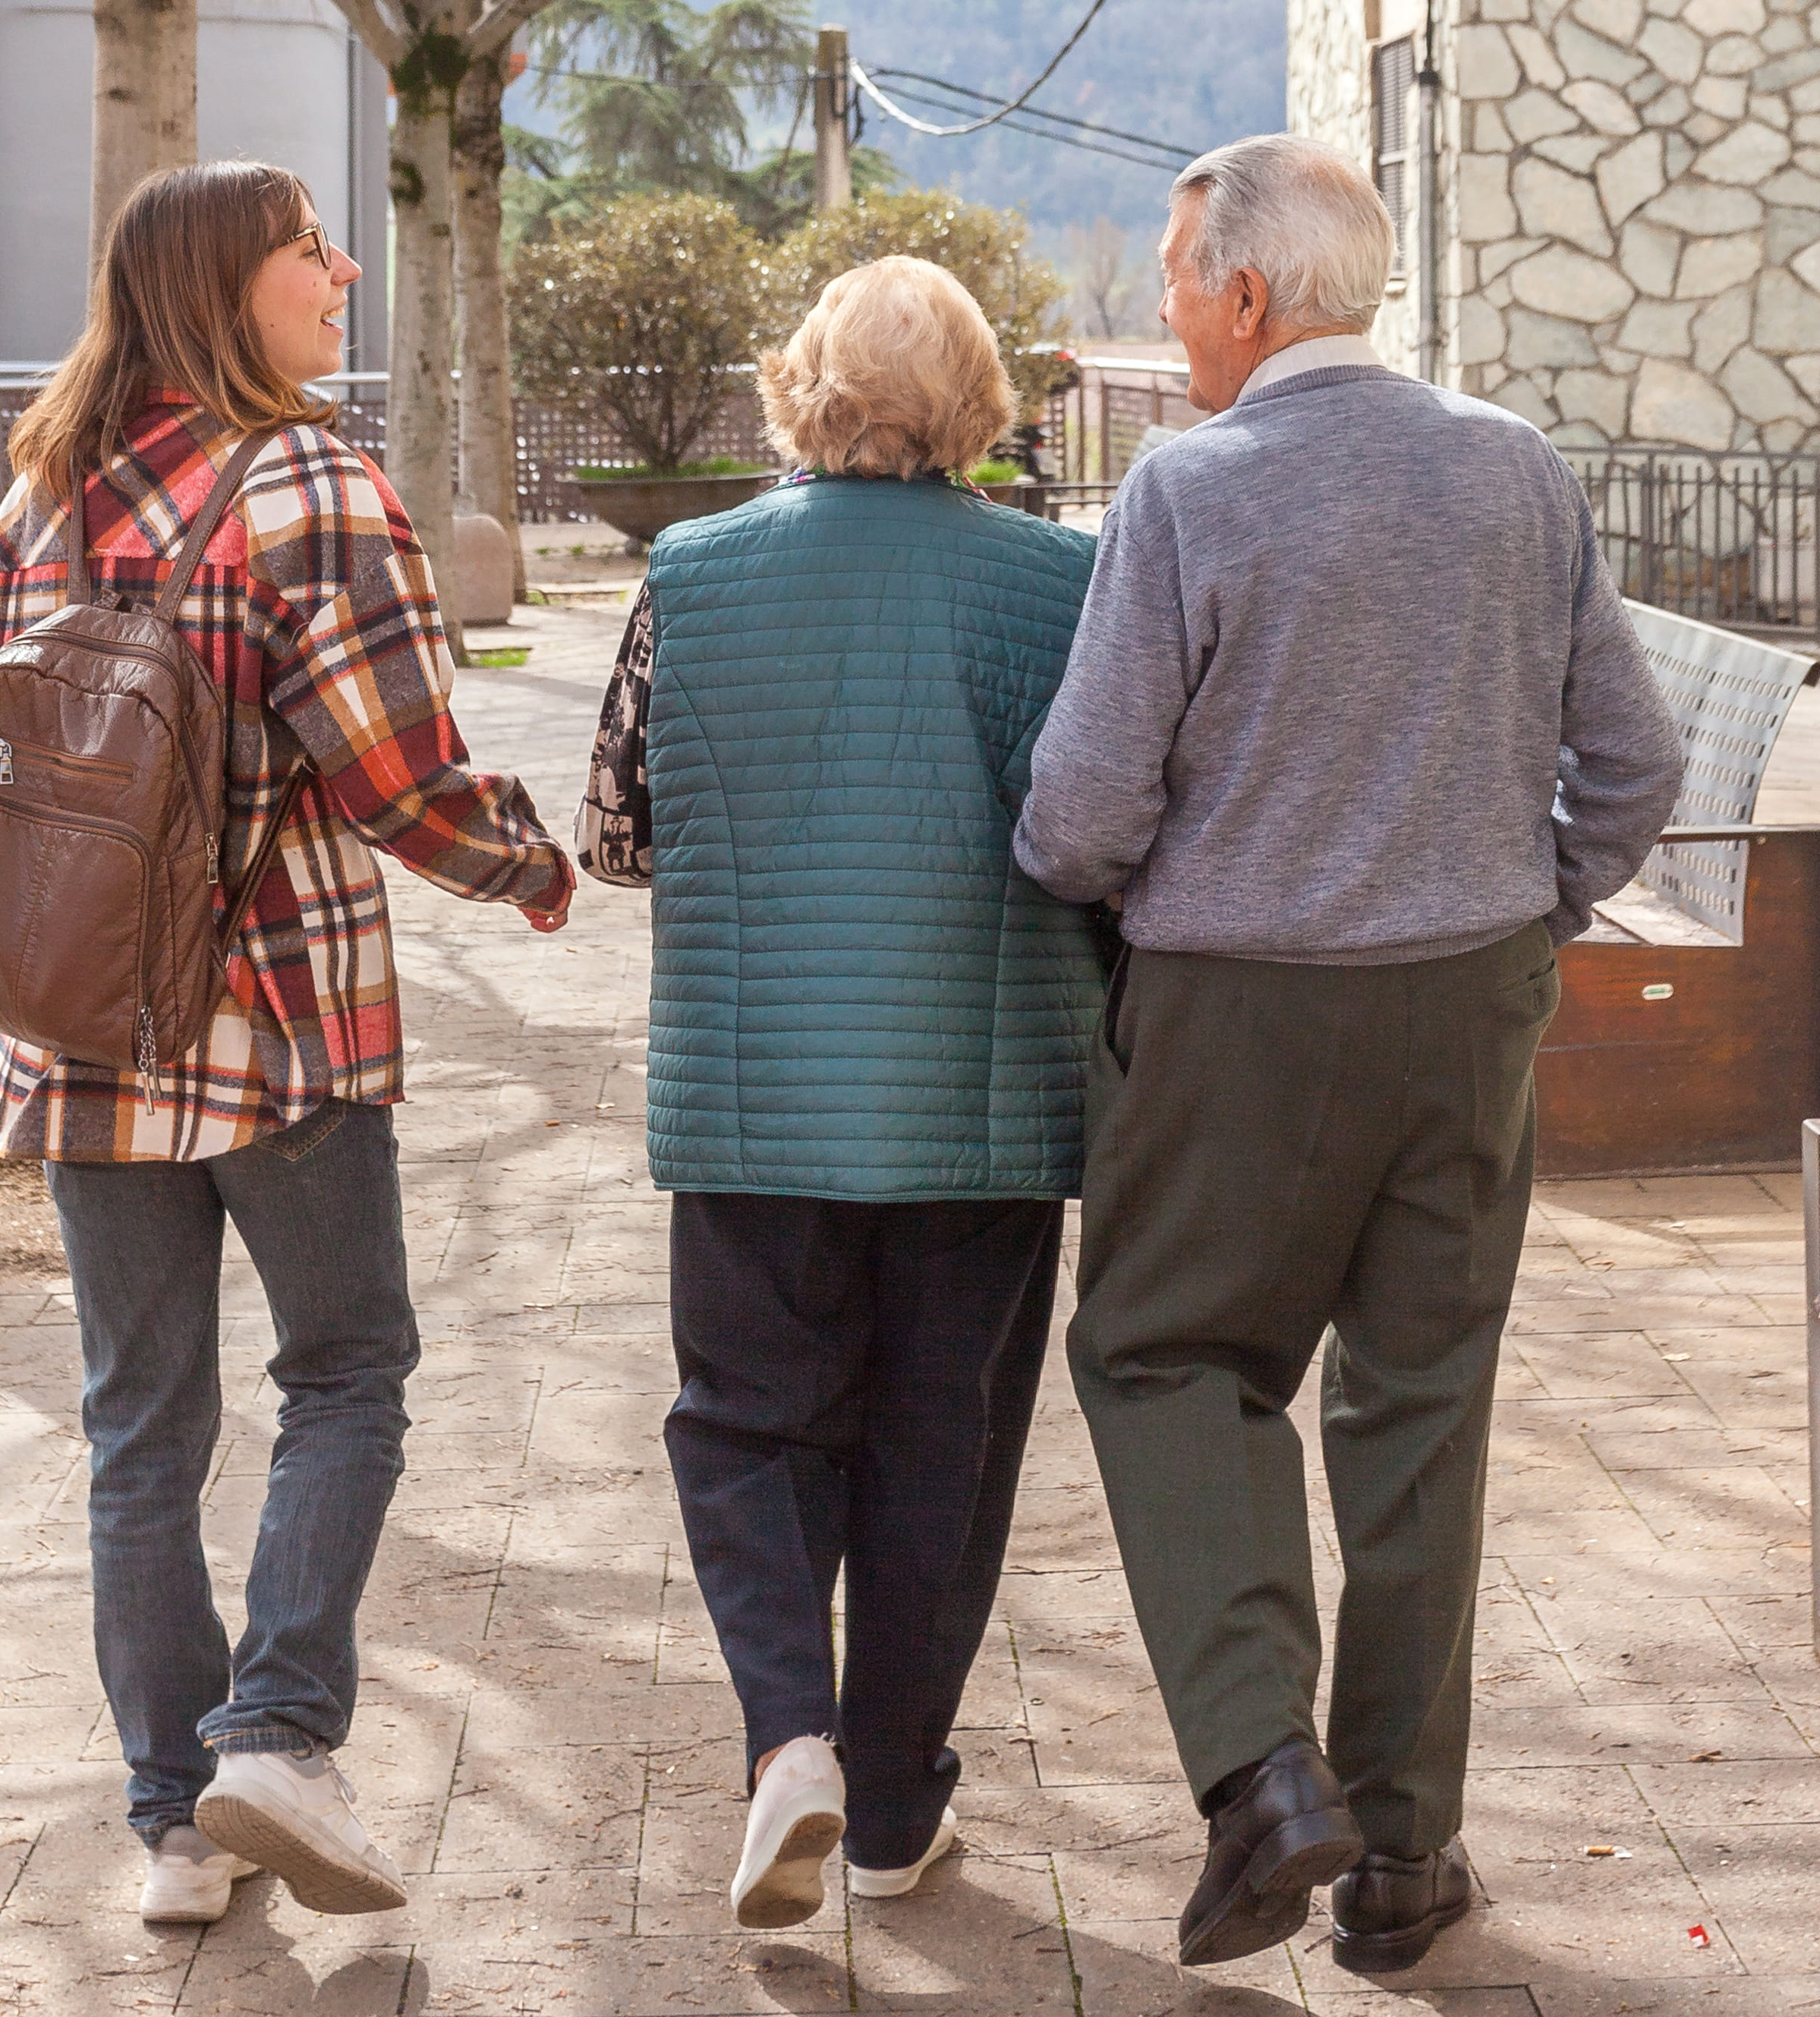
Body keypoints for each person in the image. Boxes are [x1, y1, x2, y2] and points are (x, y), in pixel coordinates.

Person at [1013, 134, 1683, 1975]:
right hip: (1468, 1003)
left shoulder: (1185, 490)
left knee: (1164, 1354)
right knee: (1418, 1407)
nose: (1165, 309)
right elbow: (1632, 763)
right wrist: (1525, 912)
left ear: (1243, 294)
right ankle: (1401, 1857)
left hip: (1234, 1010)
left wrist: (1083, 873)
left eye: (1175, 276)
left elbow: (1081, 811)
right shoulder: (1512, 468)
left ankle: (1260, 1774)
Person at [0, 162, 575, 1927]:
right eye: (307, 249)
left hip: (81, 1026)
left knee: (138, 1431)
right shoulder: (306, 480)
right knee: (347, 1372)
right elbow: (397, 777)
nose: (342, 270)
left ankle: (175, 1829)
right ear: (223, 290)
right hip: (273, 1026)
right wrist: (533, 866)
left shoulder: (40, 497)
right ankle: (278, 1737)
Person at [580, 256, 1112, 1930]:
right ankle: (889, 1813)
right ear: (978, 403)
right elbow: (1106, 833)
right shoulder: (1062, 582)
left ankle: (785, 1741)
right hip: (984, 1099)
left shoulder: (691, 571)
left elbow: (614, 837)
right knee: (939, 1446)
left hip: (752, 1097)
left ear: (799, 385)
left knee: (746, 1424)